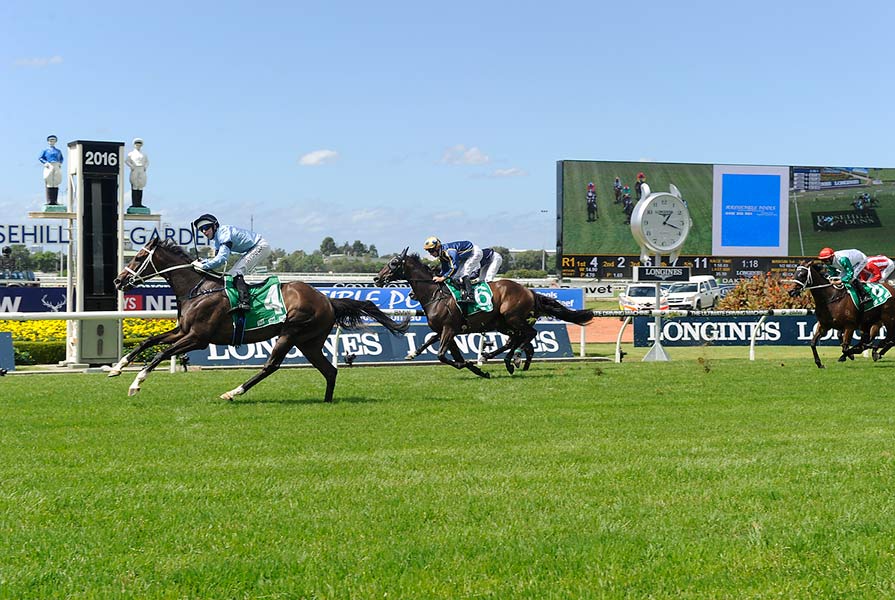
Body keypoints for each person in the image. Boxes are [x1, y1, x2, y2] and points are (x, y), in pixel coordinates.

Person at [192, 214, 272, 313]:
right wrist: (203, 261)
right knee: (231, 274)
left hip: (260, 246)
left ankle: (245, 302)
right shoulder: (216, 239)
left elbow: (222, 259)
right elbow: (216, 259)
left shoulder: (224, 232)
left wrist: (203, 266)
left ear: (215, 226)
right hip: (252, 249)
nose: (204, 231)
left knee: (236, 272)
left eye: (206, 227)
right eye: (201, 229)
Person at [423, 236, 483, 304]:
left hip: (474, 253)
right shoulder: (441, 254)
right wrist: (440, 276)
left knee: (464, 273)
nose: (430, 254)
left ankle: (471, 297)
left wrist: (443, 278)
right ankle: (463, 293)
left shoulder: (449, 252)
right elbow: (445, 269)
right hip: (464, 257)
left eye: (431, 250)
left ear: (437, 247)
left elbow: (454, 267)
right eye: (429, 251)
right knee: (455, 276)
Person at [39, 135, 64, 205]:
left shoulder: (58, 151)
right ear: (48, 141)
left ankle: (55, 200)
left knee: (56, 182)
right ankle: (49, 200)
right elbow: (40, 158)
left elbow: (61, 158)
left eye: (53, 140)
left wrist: (60, 163)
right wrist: (45, 163)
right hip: (49, 165)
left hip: (56, 165)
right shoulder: (45, 150)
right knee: (49, 181)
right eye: (50, 140)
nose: (52, 142)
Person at [125, 138, 150, 209]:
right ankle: (134, 203)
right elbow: (126, 161)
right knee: (135, 185)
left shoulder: (144, 154)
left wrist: (145, 167)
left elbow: (147, 162)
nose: (138, 146)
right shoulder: (131, 154)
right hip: (135, 169)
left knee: (140, 186)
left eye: (139, 144)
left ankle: (139, 203)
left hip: (141, 169)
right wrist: (132, 166)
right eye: (137, 144)